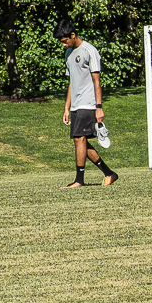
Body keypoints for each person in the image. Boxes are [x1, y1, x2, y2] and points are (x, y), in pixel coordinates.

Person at [53, 19, 119, 188]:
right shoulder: (68, 53)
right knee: (80, 141)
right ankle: (109, 173)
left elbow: (97, 82)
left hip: (88, 103)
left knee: (79, 138)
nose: (63, 45)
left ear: (73, 35)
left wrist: (99, 108)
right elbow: (71, 82)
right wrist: (66, 107)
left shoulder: (90, 51)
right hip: (75, 104)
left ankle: (79, 180)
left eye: (65, 41)